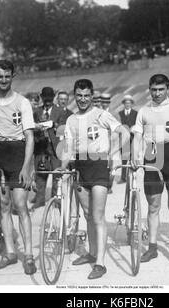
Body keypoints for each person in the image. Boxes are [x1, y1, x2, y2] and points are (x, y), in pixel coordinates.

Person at [60, 79, 130, 280]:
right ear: (75, 96)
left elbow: (124, 133)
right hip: (80, 167)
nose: (83, 99)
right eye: (79, 96)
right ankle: (91, 252)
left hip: (99, 166)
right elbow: (68, 149)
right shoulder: (71, 120)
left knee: (98, 216)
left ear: (92, 96)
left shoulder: (101, 114)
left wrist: (113, 153)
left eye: (87, 96)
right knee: (88, 214)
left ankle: (100, 263)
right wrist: (63, 167)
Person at [0, 60, 36, 275]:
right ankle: (11, 252)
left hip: (17, 153)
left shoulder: (22, 102)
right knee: (2, 203)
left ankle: (28, 255)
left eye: (7, 76)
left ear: (13, 76)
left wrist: (26, 167)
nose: (3, 80)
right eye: (0, 76)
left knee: (20, 204)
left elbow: (29, 137)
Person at [133, 74, 169, 265]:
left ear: (167, 89)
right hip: (152, 154)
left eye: (161, 89)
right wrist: (135, 156)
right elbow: (137, 137)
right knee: (153, 206)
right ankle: (152, 248)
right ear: (149, 89)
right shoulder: (143, 111)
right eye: (153, 90)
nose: (157, 93)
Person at [31, 87, 68, 209]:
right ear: (41, 97)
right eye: (45, 98)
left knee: (56, 175)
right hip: (40, 147)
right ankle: (40, 200)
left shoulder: (60, 111)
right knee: (40, 174)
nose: (47, 101)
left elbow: (64, 129)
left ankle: (55, 199)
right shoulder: (36, 111)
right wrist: (37, 129)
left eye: (50, 98)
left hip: (55, 148)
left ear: (54, 97)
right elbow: (31, 128)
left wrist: (54, 125)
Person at [118, 95, 138, 183]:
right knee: (124, 158)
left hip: (133, 138)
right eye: (126, 102)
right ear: (124, 104)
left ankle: (133, 177)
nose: (127, 104)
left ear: (132, 104)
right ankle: (123, 178)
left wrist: (134, 129)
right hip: (123, 139)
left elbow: (138, 125)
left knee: (133, 158)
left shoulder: (136, 113)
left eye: (129, 102)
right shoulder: (120, 114)